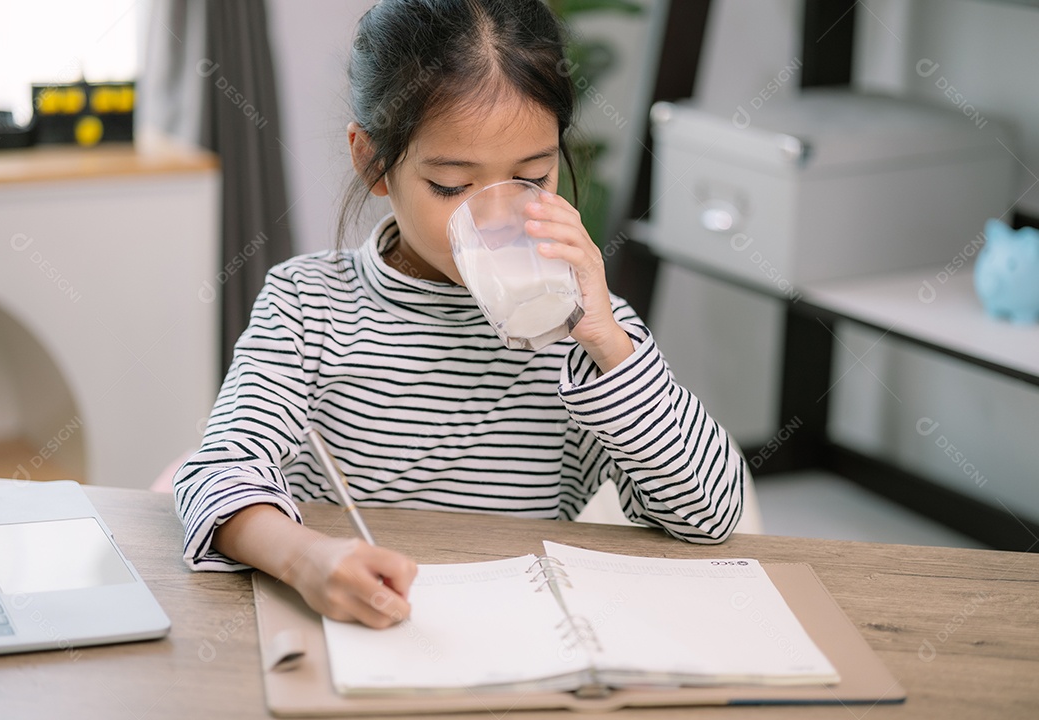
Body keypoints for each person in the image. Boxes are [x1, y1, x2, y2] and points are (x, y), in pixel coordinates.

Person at [174, 0, 747, 630]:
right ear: (373, 163)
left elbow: (713, 514)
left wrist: (610, 344)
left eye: (532, 176)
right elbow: (217, 473)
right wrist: (308, 559)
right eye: (452, 186)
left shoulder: (589, 331)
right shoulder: (309, 304)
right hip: (352, 629)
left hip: (519, 634)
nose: (495, 219)